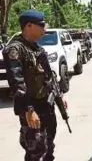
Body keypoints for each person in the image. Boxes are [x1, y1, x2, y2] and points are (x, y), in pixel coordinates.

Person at [2, 9, 67, 161]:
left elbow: (49, 76)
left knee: (49, 143)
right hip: (32, 107)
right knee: (36, 149)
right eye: (42, 25)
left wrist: (59, 96)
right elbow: (17, 83)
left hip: (46, 105)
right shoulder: (15, 49)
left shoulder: (38, 49)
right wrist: (28, 110)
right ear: (29, 25)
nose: (45, 29)